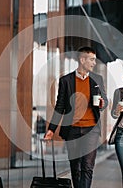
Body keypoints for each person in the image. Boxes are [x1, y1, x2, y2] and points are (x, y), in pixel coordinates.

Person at [44, 46, 108, 188]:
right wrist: (51, 129)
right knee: (75, 167)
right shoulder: (66, 81)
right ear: (82, 59)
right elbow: (60, 106)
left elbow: (105, 101)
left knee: (87, 167)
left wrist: (103, 104)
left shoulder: (97, 79)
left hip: (91, 129)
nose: (94, 63)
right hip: (72, 130)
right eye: (91, 59)